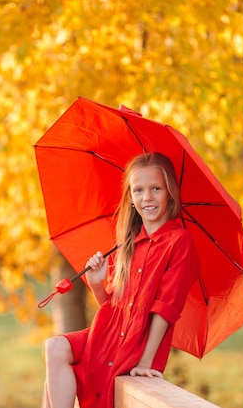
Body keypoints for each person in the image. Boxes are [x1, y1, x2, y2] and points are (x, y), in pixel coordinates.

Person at [42, 152, 201, 408]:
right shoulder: (127, 243)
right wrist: (96, 283)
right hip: (106, 334)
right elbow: (112, 306)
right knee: (54, 349)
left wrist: (146, 362)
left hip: (136, 343)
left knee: (54, 379)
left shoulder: (179, 241)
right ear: (130, 196)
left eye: (156, 188)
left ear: (170, 191)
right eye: (138, 190)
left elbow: (166, 308)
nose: (146, 197)